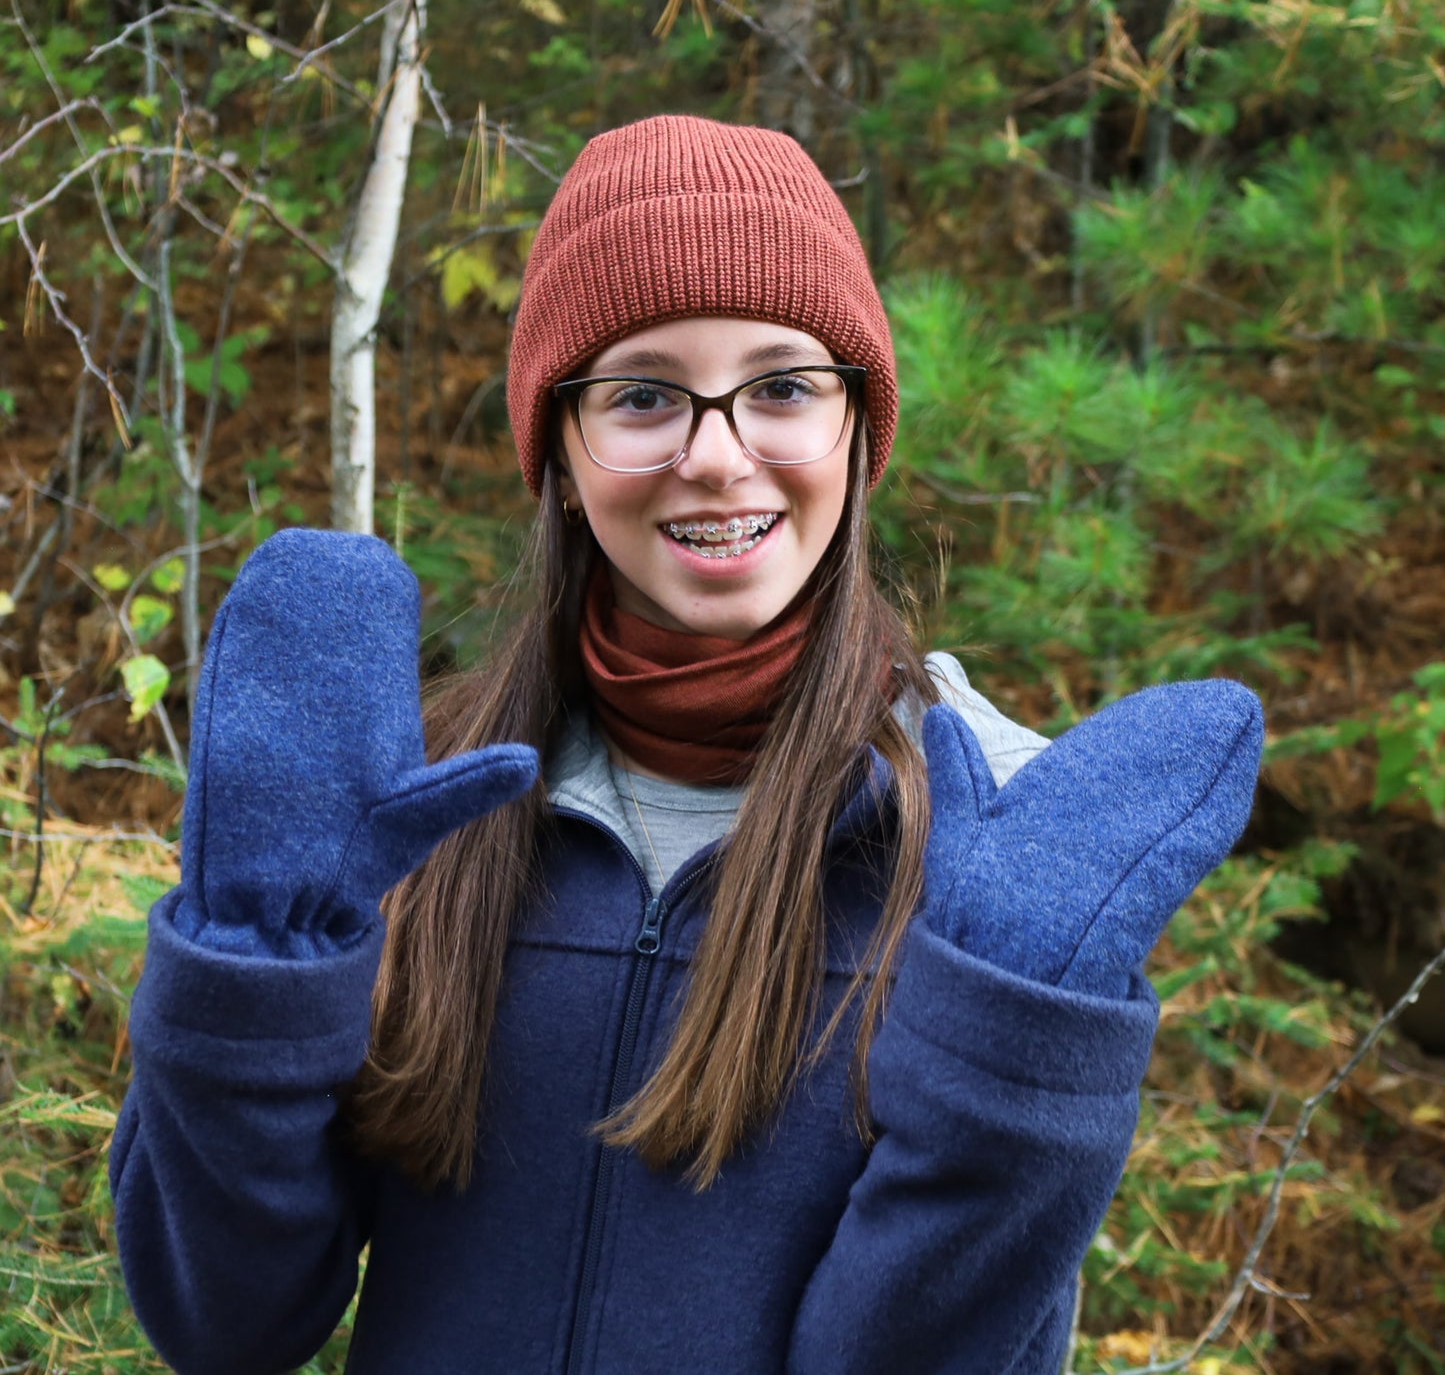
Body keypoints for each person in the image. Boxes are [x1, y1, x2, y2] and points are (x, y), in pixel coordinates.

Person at [110, 115, 1264, 1375]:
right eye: (644, 394)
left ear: (858, 429)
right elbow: (224, 1322)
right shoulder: (404, 808)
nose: (716, 457)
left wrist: (1017, 1089)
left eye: (781, 386)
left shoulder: (991, 854)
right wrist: (250, 965)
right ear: (557, 443)